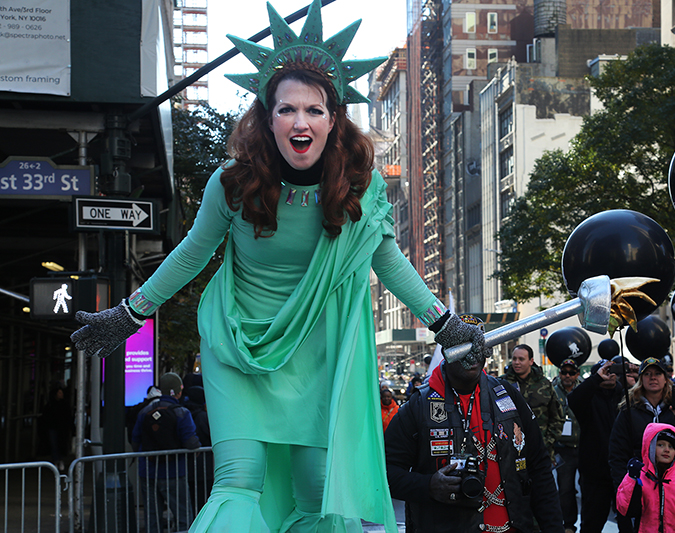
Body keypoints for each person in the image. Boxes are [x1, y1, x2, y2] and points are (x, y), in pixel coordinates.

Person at [69, 2, 486, 531]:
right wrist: (130, 315)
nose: (300, 120)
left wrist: (444, 323)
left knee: (316, 493)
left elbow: (386, 257)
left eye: (313, 110)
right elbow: (193, 253)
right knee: (238, 480)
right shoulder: (232, 182)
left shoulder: (361, 186)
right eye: (287, 109)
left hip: (316, 350)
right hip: (237, 344)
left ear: (333, 121)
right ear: (268, 119)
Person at [384, 315, 564, 532]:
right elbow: (386, 472)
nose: (472, 354)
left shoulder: (508, 396)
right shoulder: (419, 405)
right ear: (446, 350)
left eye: (479, 345)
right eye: (463, 346)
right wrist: (428, 486)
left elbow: (540, 468)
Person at [608, 357, 675, 532]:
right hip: (639, 489)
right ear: (640, 379)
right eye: (648, 374)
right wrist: (624, 488)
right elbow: (616, 454)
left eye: (658, 373)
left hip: (672, 490)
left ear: (665, 378)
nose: (653, 378)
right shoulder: (628, 411)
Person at [132, 372, 201, 533]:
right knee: (183, 516)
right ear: (178, 392)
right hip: (174, 472)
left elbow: (135, 440)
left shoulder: (144, 412)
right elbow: (191, 442)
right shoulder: (182, 413)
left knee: (152, 517)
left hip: (148, 472)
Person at [567, 360, 624, 533]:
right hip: (595, 472)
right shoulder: (588, 398)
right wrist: (596, 379)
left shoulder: (624, 395)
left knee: (627, 521)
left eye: (612, 371)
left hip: (622, 471)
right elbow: (574, 399)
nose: (610, 374)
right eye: (605, 372)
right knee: (592, 523)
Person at [616, 424, 675, 532]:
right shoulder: (639, 475)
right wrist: (632, 479)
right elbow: (626, 510)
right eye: (661, 445)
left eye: (671, 446)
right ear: (650, 447)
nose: (666, 450)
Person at [502, 344, 565, 461]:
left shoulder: (544, 384)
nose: (516, 362)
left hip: (540, 451)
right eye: (514, 359)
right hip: (509, 453)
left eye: (521, 359)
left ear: (531, 361)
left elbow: (557, 418)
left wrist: (546, 442)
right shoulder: (502, 384)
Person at [552, 359, 581, 533]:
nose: (567, 376)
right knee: (565, 489)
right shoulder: (553, 392)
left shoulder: (583, 390)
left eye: (571, 372)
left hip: (584, 446)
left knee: (587, 487)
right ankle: (569, 524)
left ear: (577, 374)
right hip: (563, 448)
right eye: (564, 372)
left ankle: (588, 522)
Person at [41, 382, 73, 471]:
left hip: (61, 428)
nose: (61, 394)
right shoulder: (51, 405)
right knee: (54, 444)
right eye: (59, 393)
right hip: (54, 427)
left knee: (60, 443)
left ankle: (59, 460)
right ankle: (56, 460)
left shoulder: (64, 405)